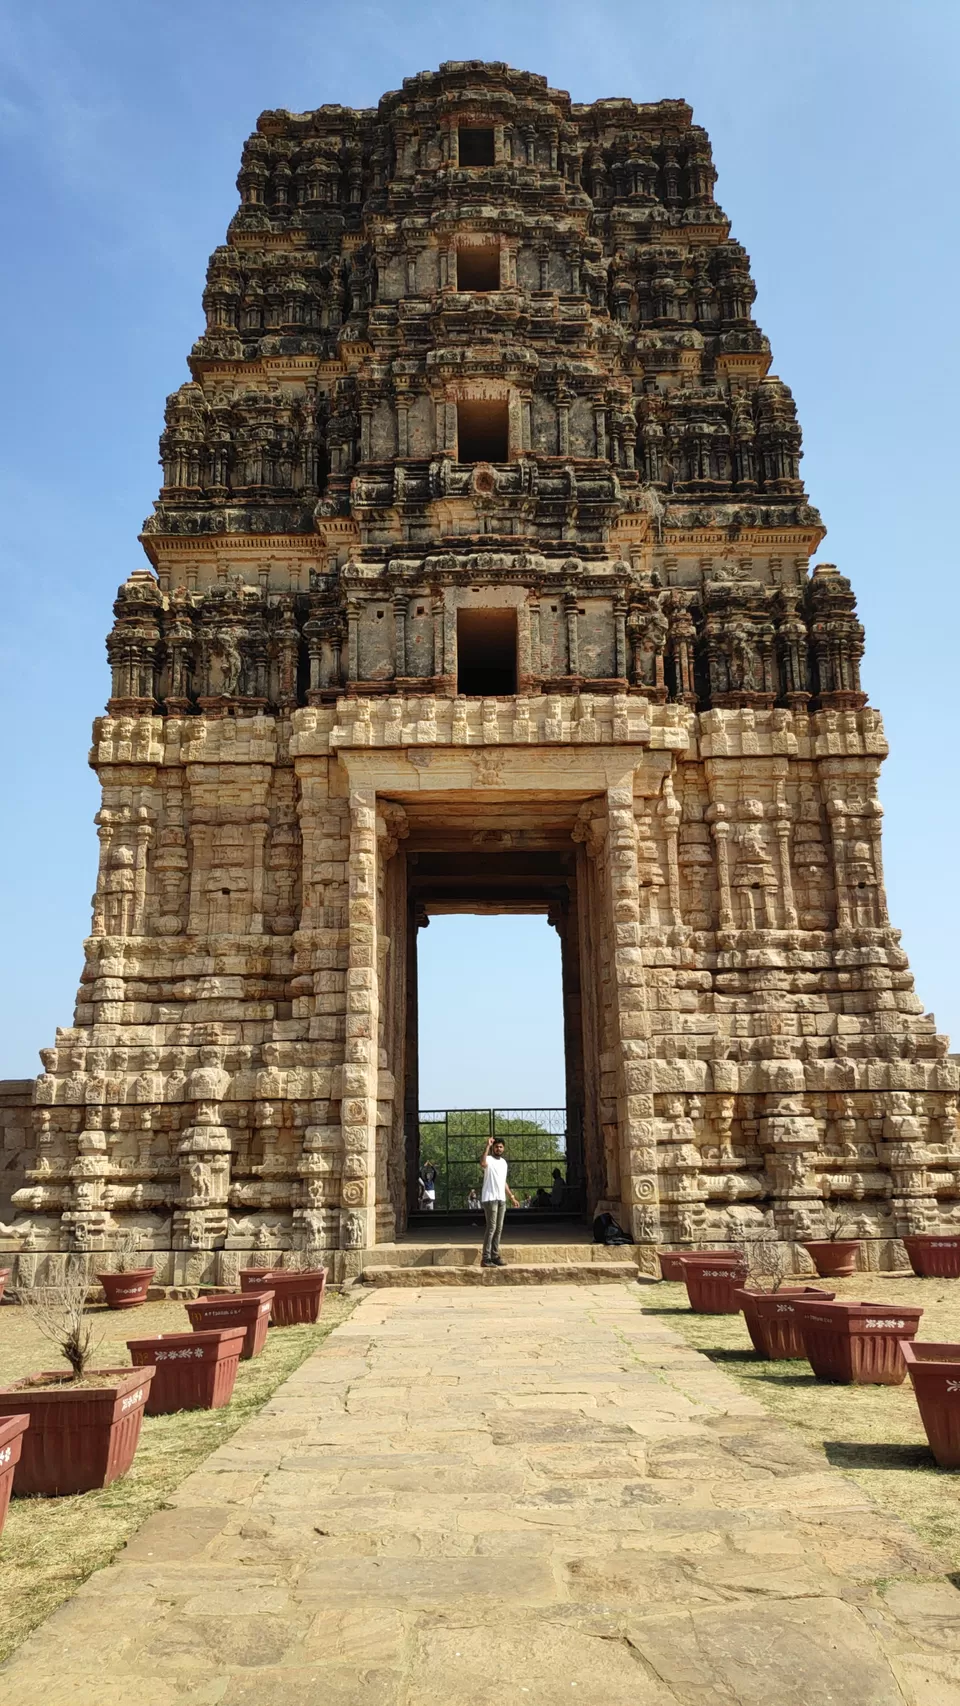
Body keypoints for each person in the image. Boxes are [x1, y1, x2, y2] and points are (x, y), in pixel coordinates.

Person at [480, 1135, 519, 1267]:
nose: (498, 1148)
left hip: (501, 1198)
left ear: (504, 1148)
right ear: (493, 1148)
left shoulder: (503, 1163)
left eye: (501, 1147)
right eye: (496, 1146)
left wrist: (511, 1197)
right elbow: (483, 1163)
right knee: (491, 1228)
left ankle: (495, 1255)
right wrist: (487, 1146)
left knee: (499, 1228)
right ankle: (485, 1258)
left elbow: (503, 1182)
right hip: (490, 1198)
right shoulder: (489, 1159)